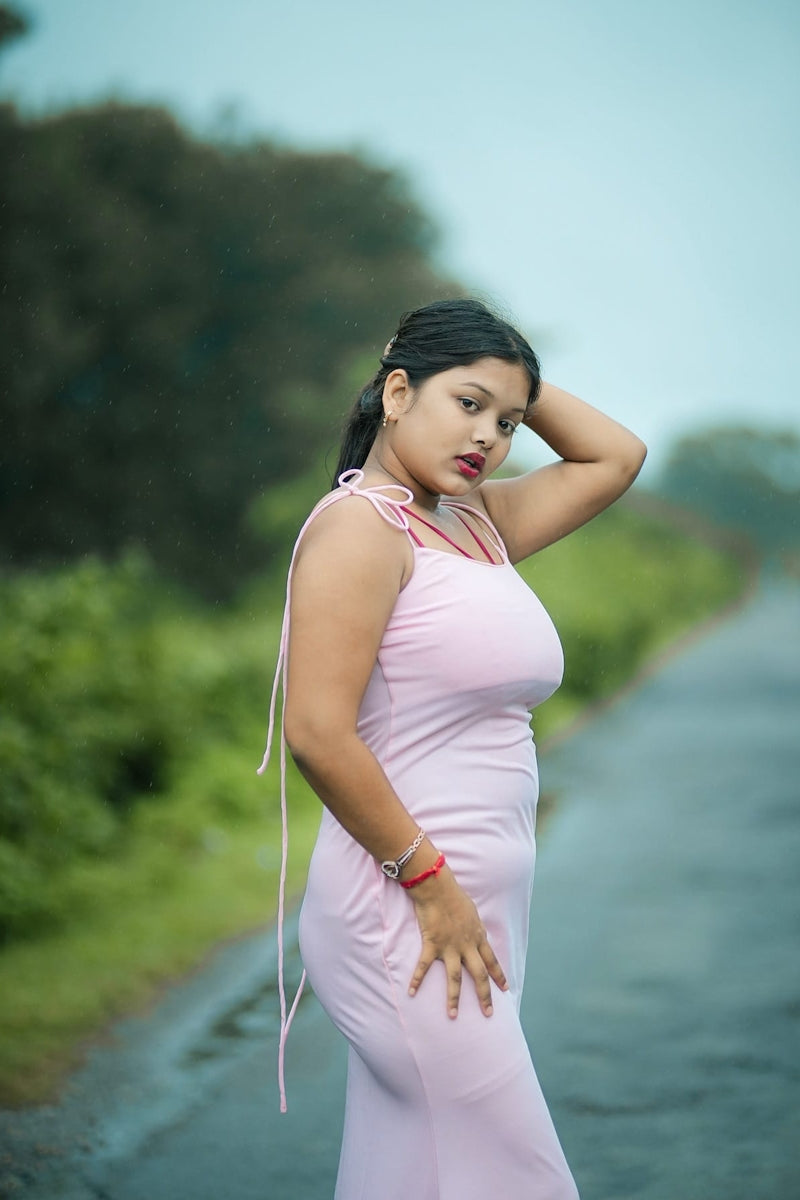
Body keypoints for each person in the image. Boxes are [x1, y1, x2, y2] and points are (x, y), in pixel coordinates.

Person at [258, 297, 646, 1199]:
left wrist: (507, 368)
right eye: (465, 405)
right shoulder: (363, 529)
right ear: (396, 393)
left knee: (418, 1173)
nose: (490, 438)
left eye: (508, 422)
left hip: (471, 914)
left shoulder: (475, 524)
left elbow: (614, 456)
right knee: (520, 1179)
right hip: (409, 911)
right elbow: (317, 731)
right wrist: (432, 887)